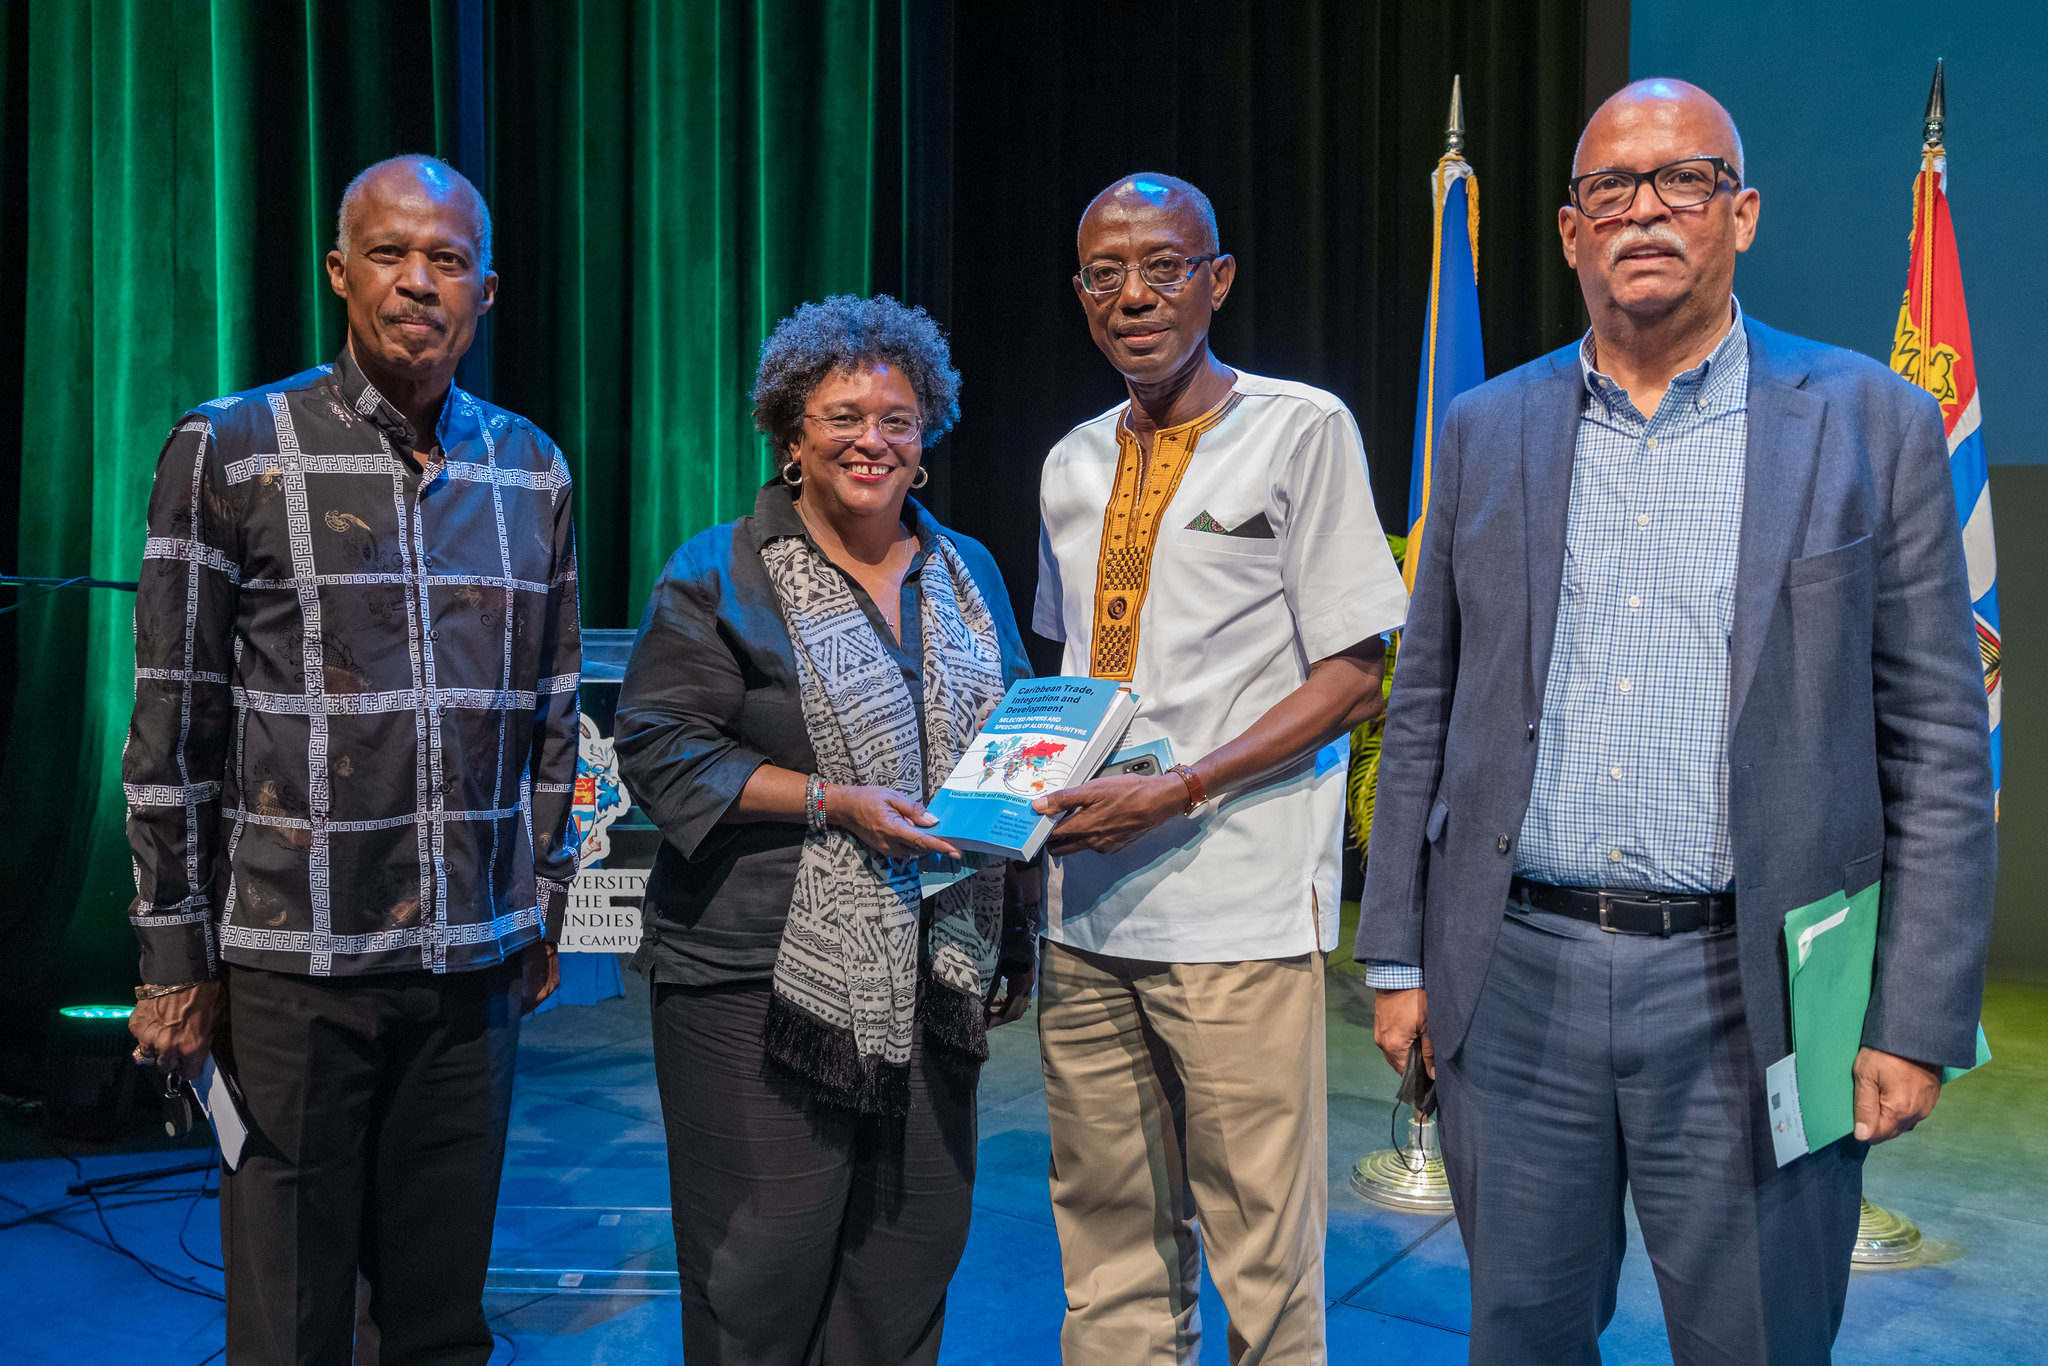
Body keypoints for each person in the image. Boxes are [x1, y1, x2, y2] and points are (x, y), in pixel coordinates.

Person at [1358, 79, 1995, 1365]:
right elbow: (1421, 704)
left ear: (1740, 213)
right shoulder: (1482, 430)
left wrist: (1913, 1017)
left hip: (1754, 992)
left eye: (1682, 180)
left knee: (1756, 1340)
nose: (1643, 210)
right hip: (1514, 981)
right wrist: (1395, 959)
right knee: (1519, 1336)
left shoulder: (1869, 422)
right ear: (1568, 231)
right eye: (1609, 188)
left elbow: (1937, 742)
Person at [122, 155, 580, 1364]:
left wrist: (541, 900)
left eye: (446, 260)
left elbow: (551, 709)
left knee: (439, 1321)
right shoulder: (231, 447)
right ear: (339, 272)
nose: (417, 281)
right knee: (291, 1321)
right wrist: (172, 958)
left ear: (486, 289)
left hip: (471, 960)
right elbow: (173, 722)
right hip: (295, 961)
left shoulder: (529, 467)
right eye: (388, 254)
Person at [613, 293, 1036, 1366]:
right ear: (790, 435)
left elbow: (1014, 738)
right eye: (842, 417)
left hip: (935, 970)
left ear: (926, 435)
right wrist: (828, 801)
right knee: (757, 1277)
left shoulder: (967, 572)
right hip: (751, 981)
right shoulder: (717, 570)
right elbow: (659, 748)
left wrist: (1031, 881)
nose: (871, 441)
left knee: (906, 1266)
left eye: (896, 419)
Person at [1030, 173, 1408, 1365]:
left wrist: (1181, 785)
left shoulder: (1301, 428)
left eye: (1163, 266)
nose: (1133, 295)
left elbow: (1354, 676)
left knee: (1262, 1270)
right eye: (1104, 274)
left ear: (1217, 280)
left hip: (1234, 913)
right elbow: (1071, 674)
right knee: (1108, 1261)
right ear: (1080, 294)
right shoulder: (1069, 460)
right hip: (1083, 916)